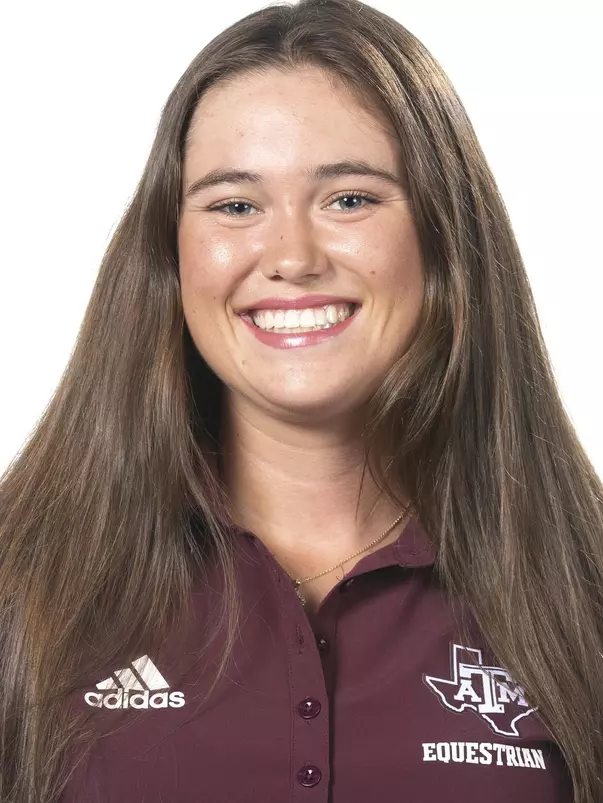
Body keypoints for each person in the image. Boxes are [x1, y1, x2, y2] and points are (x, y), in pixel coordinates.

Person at [0, 0, 601, 800]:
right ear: (169, 253)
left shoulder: (578, 589)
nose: (291, 256)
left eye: (348, 198)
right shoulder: (25, 584)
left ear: (445, 236)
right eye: (235, 205)